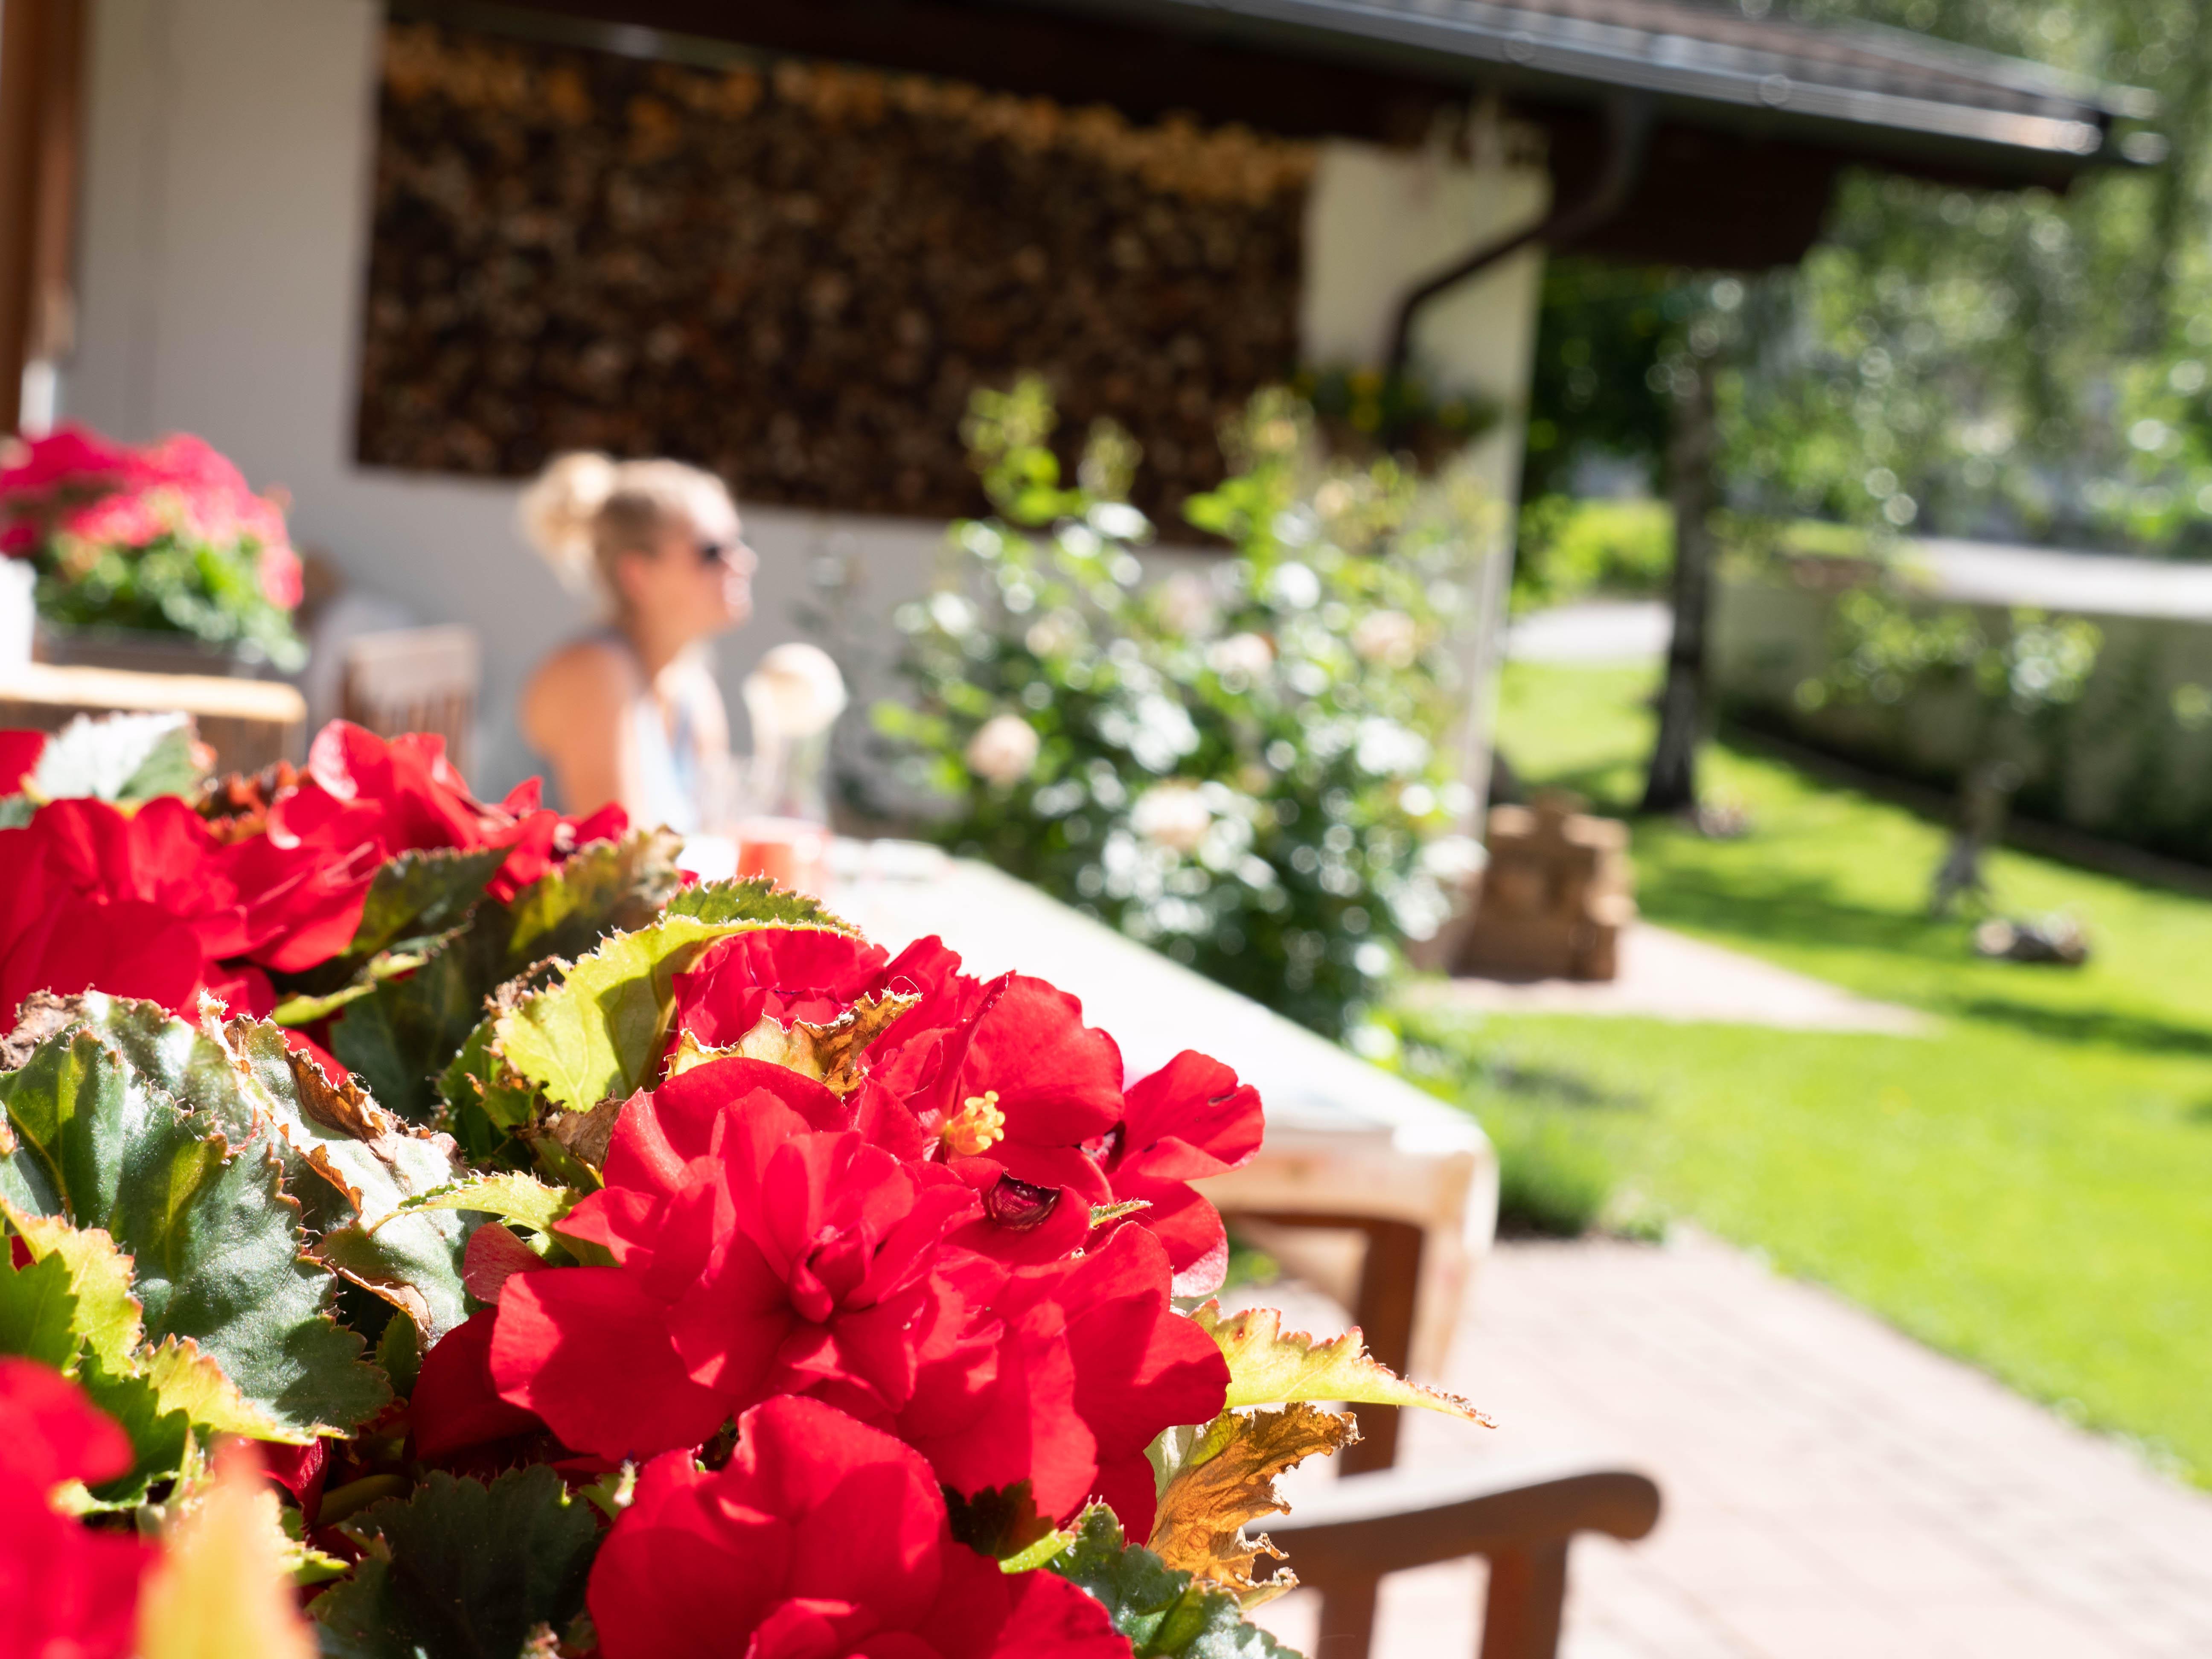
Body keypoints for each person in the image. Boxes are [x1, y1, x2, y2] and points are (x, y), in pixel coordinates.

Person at [517, 452, 755, 832]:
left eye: (739, 543)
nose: (743, 562)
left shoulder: (691, 682)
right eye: (711, 552)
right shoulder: (594, 672)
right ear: (638, 575)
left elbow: (716, 831)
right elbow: (618, 853)